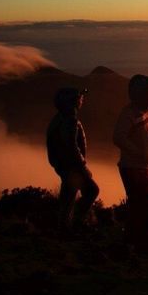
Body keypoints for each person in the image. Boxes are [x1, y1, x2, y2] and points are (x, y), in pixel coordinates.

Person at [113, 74, 148, 252]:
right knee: (142, 206)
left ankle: (138, 242)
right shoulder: (129, 114)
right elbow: (118, 137)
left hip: (145, 167)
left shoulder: (146, 113)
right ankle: (136, 243)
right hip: (133, 167)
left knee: (145, 206)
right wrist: (139, 153)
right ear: (139, 94)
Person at [46, 87, 99, 231]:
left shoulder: (59, 119)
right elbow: (71, 145)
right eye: (79, 98)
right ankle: (76, 223)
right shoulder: (70, 120)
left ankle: (65, 226)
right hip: (72, 166)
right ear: (73, 102)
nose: (82, 100)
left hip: (64, 165)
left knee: (68, 197)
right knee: (92, 190)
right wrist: (82, 165)